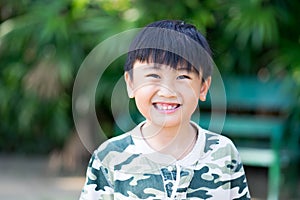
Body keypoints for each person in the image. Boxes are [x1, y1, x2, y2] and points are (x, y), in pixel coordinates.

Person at [79, 20, 251, 200]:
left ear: (203, 87)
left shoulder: (224, 152)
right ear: (130, 83)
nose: (167, 92)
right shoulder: (109, 157)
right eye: (153, 75)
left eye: (183, 76)